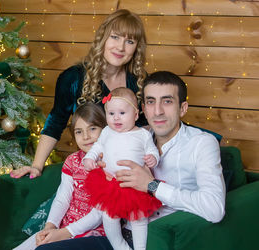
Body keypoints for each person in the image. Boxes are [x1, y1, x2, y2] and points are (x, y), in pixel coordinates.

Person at [35, 71, 226, 250]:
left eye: (167, 101)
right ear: (142, 109)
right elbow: (104, 199)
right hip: (117, 232)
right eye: (151, 102)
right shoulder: (133, 135)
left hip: (157, 238)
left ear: (182, 108)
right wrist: (103, 170)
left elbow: (214, 209)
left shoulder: (201, 143)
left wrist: (152, 186)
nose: (157, 111)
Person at [10, 9, 148, 179]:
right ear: (103, 38)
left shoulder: (139, 83)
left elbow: (146, 129)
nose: (120, 47)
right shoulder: (73, 78)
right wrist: (37, 166)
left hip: (126, 170)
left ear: (136, 48)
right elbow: (55, 123)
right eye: (115, 37)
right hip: (89, 169)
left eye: (129, 41)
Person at [13, 103, 107, 250]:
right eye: (79, 132)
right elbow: (63, 198)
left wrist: (64, 233)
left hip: (93, 233)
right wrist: (50, 227)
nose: (86, 136)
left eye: (93, 129)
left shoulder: (109, 164)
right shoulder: (73, 161)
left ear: (106, 129)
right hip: (63, 227)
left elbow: (99, 214)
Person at [83, 87, 161, 250]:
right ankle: (120, 247)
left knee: (138, 219)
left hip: (135, 184)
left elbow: (151, 149)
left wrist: (153, 158)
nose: (116, 118)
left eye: (122, 113)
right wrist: (89, 158)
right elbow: (98, 147)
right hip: (111, 184)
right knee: (109, 217)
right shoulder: (106, 132)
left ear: (135, 114)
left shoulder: (142, 134)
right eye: (111, 114)